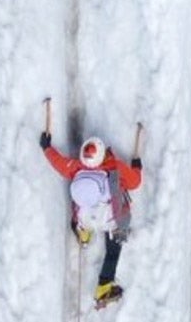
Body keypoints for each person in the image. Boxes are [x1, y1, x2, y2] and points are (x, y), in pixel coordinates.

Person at [41, 129, 143, 305]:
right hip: (112, 221)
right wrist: (136, 165)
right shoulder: (115, 168)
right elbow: (135, 182)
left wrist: (46, 147)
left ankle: (84, 234)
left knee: (82, 209)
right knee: (113, 251)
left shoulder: (76, 168)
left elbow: (58, 163)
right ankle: (104, 286)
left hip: (85, 219)